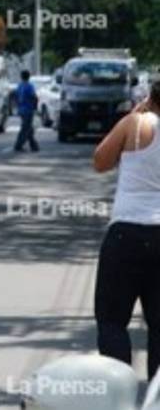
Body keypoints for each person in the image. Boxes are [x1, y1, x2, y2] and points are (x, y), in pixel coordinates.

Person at [93, 81, 160, 378]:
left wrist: (135, 113)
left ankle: (118, 394)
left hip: (125, 234)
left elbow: (101, 161)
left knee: (112, 321)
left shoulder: (135, 123)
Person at [14, 70, 41, 152]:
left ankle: (34, 145)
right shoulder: (29, 86)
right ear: (29, 76)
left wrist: (18, 106)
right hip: (28, 109)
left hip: (21, 109)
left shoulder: (19, 86)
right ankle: (18, 145)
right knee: (25, 128)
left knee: (28, 128)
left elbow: (16, 97)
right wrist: (35, 107)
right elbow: (34, 97)